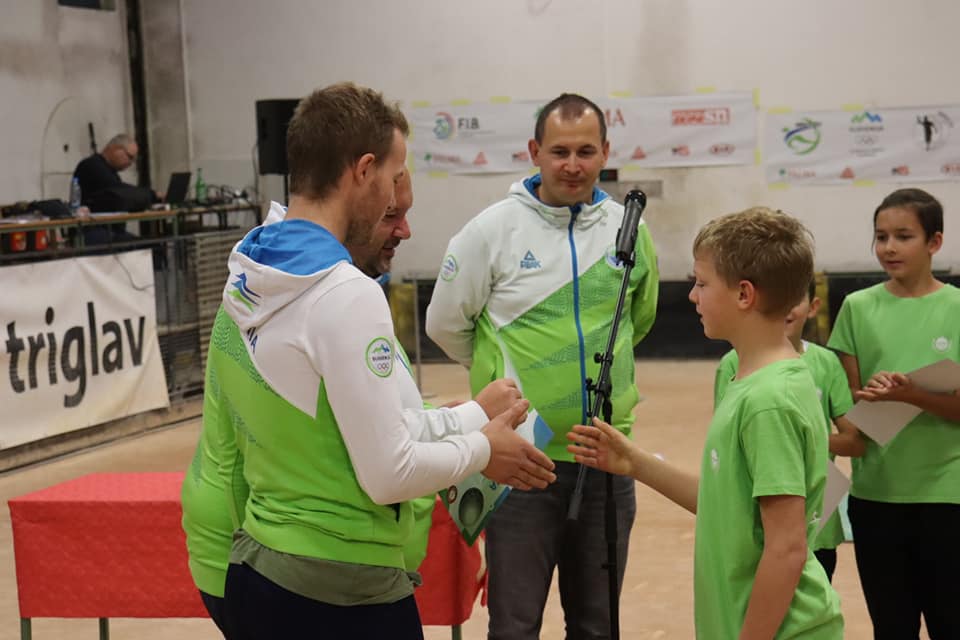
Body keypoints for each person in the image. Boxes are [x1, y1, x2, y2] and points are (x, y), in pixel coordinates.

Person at [210, 83, 556, 640]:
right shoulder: (344, 291)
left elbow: (353, 422)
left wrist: (472, 416)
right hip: (341, 590)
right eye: (394, 178)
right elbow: (389, 473)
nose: (396, 199)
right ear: (364, 171)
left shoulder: (251, 269)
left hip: (262, 568)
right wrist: (484, 449)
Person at [425, 93, 659, 639]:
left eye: (585, 151)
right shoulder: (491, 231)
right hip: (520, 462)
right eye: (559, 152)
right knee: (514, 627)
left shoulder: (628, 229)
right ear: (534, 152)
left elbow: (636, 321)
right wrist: (494, 371)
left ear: (605, 153)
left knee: (598, 627)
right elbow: (445, 325)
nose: (572, 165)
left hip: (607, 458)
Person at [568, 208, 844, 639]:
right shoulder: (750, 381)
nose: (692, 296)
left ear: (744, 294)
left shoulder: (769, 400)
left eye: (701, 283)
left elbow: (787, 548)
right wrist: (634, 463)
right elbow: (725, 503)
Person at [181, 172, 422, 636]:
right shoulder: (315, 300)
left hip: (262, 558)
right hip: (293, 563)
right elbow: (384, 463)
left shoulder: (260, 281)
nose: (405, 230)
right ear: (356, 190)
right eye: (391, 213)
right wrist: (477, 447)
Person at [826, 188, 960, 639]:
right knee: (892, 628)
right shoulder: (857, 308)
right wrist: (874, 398)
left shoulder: (957, 309)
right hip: (876, 497)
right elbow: (847, 404)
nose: (889, 247)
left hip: (948, 497)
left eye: (904, 236)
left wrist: (915, 395)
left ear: (934, 242)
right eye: (881, 236)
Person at [714, 279, 865, 582]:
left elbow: (855, 442)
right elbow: (726, 446)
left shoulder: (826, 363)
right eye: (776, 295)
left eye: (794, 298)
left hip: (818, 527)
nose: (785, 308)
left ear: (813, 306)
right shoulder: (732, 363)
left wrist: (804, 441)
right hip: (756, 527)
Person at [72, 133, 155, 244]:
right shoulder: (92, 166)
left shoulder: (109, 171)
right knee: (149, 246)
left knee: (150, 244)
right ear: (115, 149)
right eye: (130, 157)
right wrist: (153, 195)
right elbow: (120, 192)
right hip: (93, 231)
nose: (130, 163)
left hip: (108, 231)